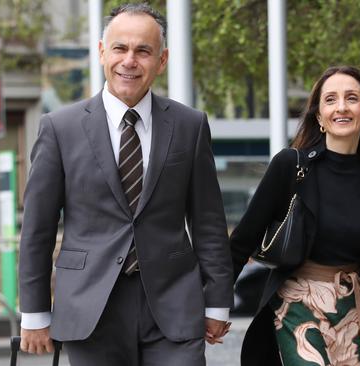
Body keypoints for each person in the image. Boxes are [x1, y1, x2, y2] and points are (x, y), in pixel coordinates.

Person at [17, 4, 234, 365]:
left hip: (173, 305)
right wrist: (35, 313)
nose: (129, 61)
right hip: (90, 308)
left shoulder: (190, 125)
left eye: (143, 51)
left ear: (161, 60)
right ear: (102, 52)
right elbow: (37, 229)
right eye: (120, 48)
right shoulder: (60, 128)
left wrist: (218, 301)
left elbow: (208, 222)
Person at [230, 65, 360, 366]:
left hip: (353, 305)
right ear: (319, 117)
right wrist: (214, 305)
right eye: (330, 100)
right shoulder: (291, 166)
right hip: (296, 303)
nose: (341, 107)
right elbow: (243, 238)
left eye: (352, 98)